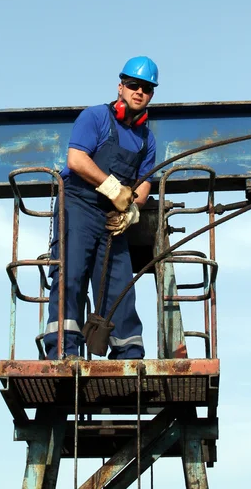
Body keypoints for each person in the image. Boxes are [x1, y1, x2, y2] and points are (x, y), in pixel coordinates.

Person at [43, 56, 158, 360]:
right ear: (120, 86)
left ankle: (128, 352)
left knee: (119, 283)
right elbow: (76, 160)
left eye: (146, 88)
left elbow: (145, 183)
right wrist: (113, 188)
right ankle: (63, 350)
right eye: (133, 85)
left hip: (112, 217)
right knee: (70, 273)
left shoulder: (147, 140)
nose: (139, 92)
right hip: (78, 206)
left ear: (151, 95)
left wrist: (132, 209)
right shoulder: (94, 118)